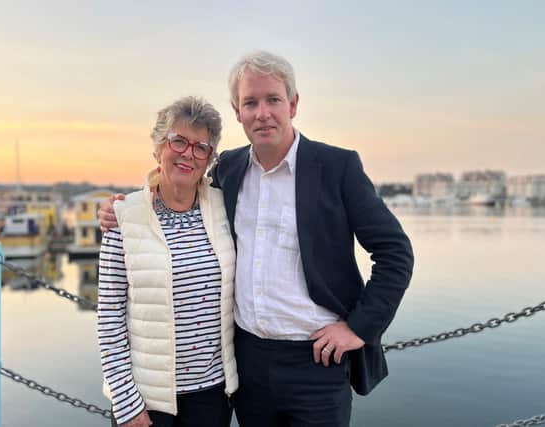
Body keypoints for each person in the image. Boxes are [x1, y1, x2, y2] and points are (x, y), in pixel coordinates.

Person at [99, 51, 414, 427]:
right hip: (248, 367)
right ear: (238, 111)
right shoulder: (228, 170)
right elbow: (177, 181)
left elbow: (395, 253)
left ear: (293, 104)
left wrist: (359, 328)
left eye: (273, 100)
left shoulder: (336, 167)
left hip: (317, 361)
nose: (262, 112)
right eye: (251, 102)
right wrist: (125, 208)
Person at [97, 96, 238, 427]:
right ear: (159, 147)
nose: (188, 153)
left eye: (201, 147)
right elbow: (109, 319)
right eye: (178, 141)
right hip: (148, 401)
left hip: (212, 396)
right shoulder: (124, 217)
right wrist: (127, 403)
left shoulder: (223, 209)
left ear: (208, 160)